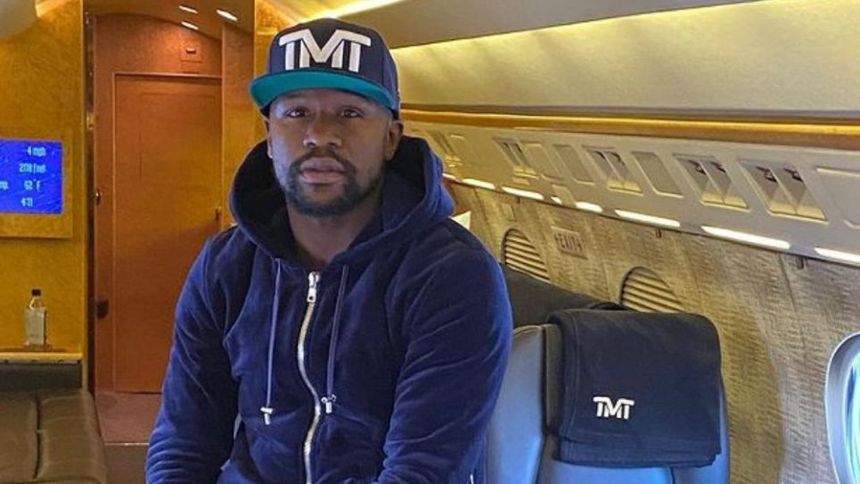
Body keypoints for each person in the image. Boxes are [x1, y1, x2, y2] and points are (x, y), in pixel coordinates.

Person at [145, 17, 512, 484]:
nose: (320, 134)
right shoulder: (225, 267)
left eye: (350, 113)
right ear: (269, 136)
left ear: (391, 138)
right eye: (297, 113)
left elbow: (423, 470)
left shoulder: (452, 275)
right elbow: (185, 440)